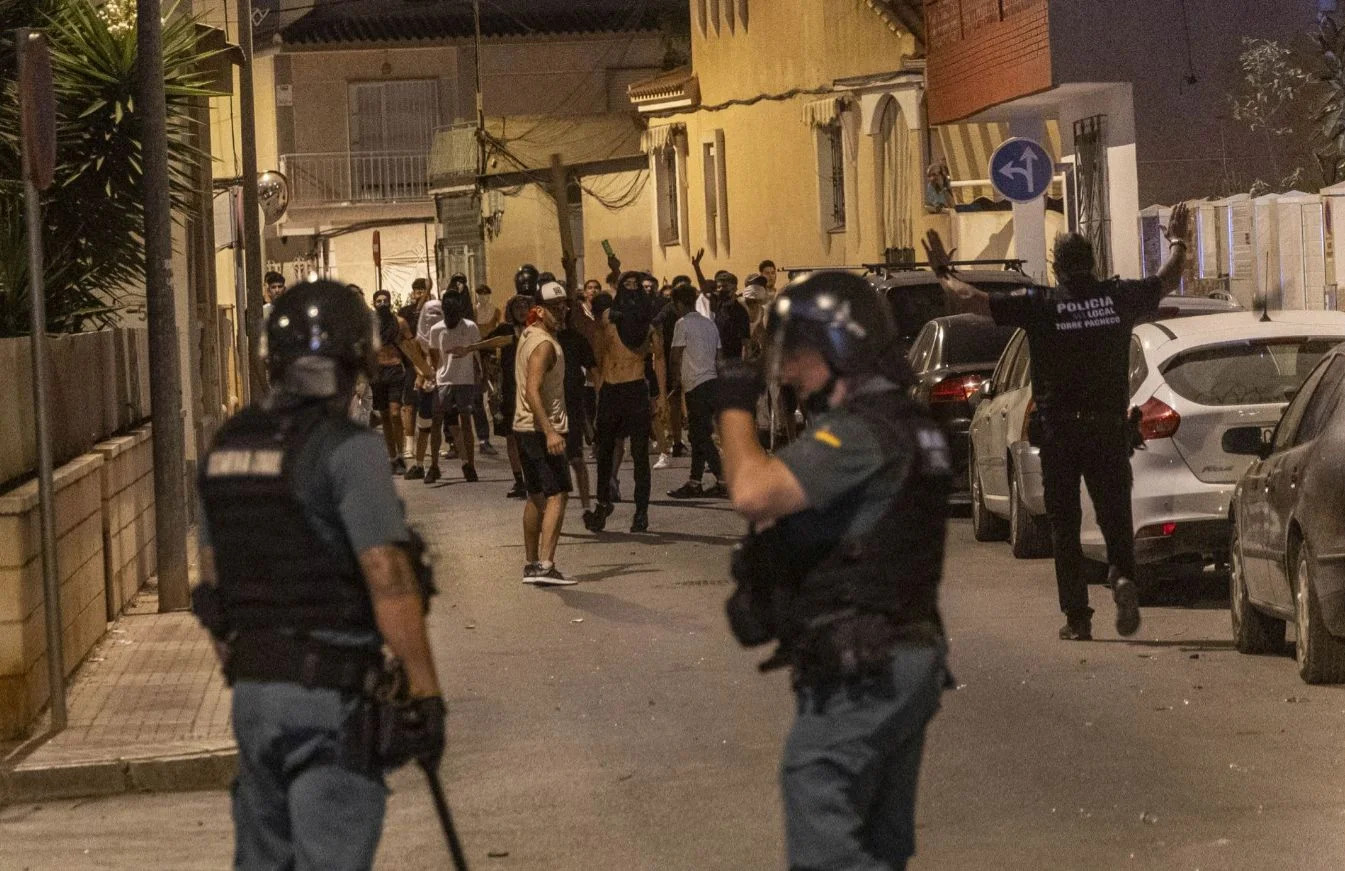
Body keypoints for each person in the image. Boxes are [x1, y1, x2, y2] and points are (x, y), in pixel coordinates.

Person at [192, 280, 443, 869]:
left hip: (254, 700)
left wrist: (253, 664)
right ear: (354, 361)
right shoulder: (348, 451)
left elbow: (211, 587)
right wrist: (426, 696)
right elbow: (387, 576)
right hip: (330, 699)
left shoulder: (226, 447)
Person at [715, 270, 953, 871]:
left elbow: (753, 492)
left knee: (820, 812)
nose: (788, 370)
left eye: (797, 352)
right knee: (877, 844)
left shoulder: (860, 432)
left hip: (866, 663)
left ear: (840, 345)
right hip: (902, 651)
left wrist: (733, 410)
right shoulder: (911, 423)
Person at [923, 202, 1193, 641]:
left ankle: (1078, 618)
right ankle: (1123, 576)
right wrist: (1179, 240)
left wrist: (942, 271)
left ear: (1056, 267)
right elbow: (1166, 279)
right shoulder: (1118, 297)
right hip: (1108, 427)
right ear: (1091, 264)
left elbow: (971, 300)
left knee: (1063, 524)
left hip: (1059, 431)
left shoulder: (1041, 304)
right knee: (1114, 512)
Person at [575, 271, 666, 533]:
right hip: (612, 391)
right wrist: (600, 390)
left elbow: (658, 358)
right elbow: (600, 355)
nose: (631, 291)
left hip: (636, 390)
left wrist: (659, 396)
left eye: (635, 287)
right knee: (604, 454)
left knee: (640, 456)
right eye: (626, 285)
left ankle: (641, 511)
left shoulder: (648, 325)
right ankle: (603, 504)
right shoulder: (607, 319)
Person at [514, 281, 576, 585]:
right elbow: (532, 390)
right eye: (554, 307)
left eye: (563, 305)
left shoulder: (529, 335)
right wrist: (551, 432)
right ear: (539, 310)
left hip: (525, 428)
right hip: (541, 428)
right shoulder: (544, 345)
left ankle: (530, 563)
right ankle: (546, 565)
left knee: (536, 495)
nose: (561, 311)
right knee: (557, 495)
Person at [667, 283, 727, 499]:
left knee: (699, 435)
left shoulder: (682, 324)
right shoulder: (710, 324)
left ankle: (723, 479)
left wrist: (675, 381)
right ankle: (695, 481)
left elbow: (676, 356)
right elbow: (720, 357)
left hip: (695, 385)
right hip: (712, 381)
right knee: (699, 434)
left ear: (679, 303)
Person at [371, 290, 432, 474]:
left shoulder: (399, 323)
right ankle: (393, 457)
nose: (382, 303)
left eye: (385, 300)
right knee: (385, 417)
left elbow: (412, 348)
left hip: (395, 370)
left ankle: (400, 451)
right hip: (377, 373)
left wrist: (422, 370)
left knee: (396, 413)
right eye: (379, 301)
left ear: (390, 303)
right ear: (374, 304)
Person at [427, 295, 483, 484]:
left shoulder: (469, 327)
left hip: (464, 379)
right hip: (444, 380)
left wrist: (479, 376)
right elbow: (434, 356)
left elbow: (477, 351)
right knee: (437, 421)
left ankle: (470, 466)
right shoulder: (437, 329)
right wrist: (435, 375)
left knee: (466, 421)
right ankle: (434, 466)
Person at [556, 300, 597, 517]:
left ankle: (586, 508)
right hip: (549, 409)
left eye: (563, 308)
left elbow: (592, 369)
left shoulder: (575, 338)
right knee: (555, 465)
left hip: (572, 405)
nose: (560, 313)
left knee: (576, 459)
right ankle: (552, 513)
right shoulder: (540, 338)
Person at [399, 278, 435, 459]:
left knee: (429, 406)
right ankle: (409, 444)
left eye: (423, 290)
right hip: (412, 362)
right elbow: (415, 315)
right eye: (417, 291)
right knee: (410, 405)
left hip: (432, 361)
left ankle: (427, 443)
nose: (420, 294)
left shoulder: (433, 310)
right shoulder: (406, 312)